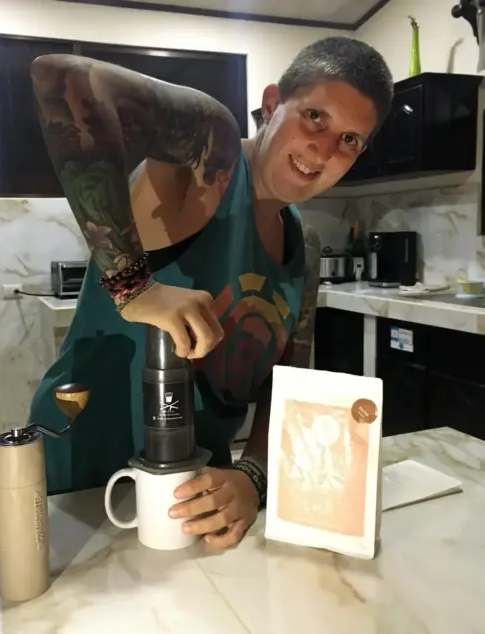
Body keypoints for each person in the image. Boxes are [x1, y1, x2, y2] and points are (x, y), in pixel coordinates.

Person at [28, 36, 393, 549]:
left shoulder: (303, 247)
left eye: (351, 140)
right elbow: (65, 80)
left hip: (192, 500)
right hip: (86, 483)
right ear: (270, 105)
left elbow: (286, 385)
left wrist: (252, 477)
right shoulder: (211, 156)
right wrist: (135, 287)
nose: (325, 150)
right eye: (314, 116)